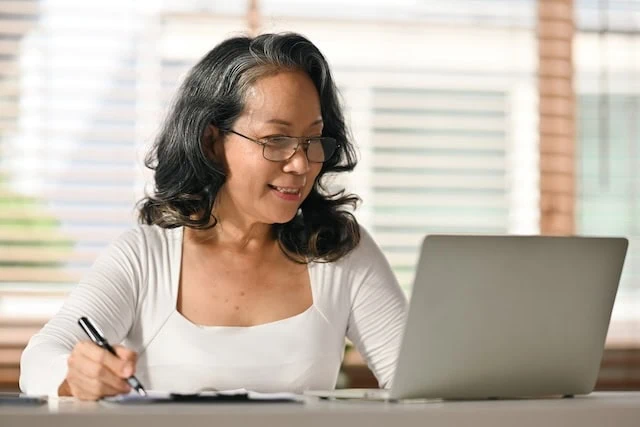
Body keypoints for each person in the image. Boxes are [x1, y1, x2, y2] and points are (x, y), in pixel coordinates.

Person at [19, 32, 407, 401]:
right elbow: (39, 361)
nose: (301, 164)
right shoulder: (145, 258)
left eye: (312, 140)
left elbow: (419, 379)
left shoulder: (338, 252)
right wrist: (77, 377)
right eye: (276, 140)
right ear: (212, 142)